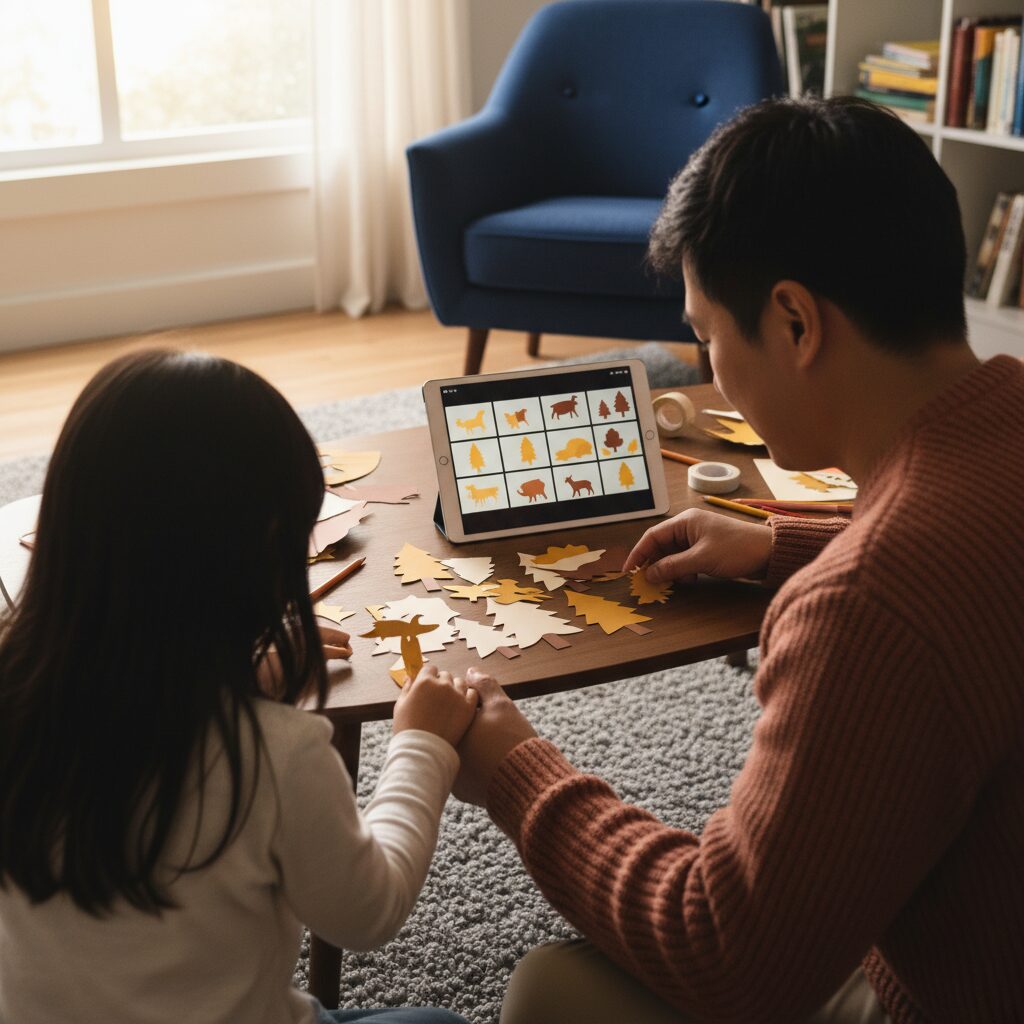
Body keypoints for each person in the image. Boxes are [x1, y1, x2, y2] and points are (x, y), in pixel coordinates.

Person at [450, 96, 1024, 1023]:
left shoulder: (866, 606)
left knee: (547, 990)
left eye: (708, 335)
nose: (709, 366)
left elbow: (725, 955)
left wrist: (517, 769)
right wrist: (780, 543)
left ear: (795, 323)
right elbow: (977, 560)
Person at [0, 350, 475, 1024]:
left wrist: (220, 676)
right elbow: (367, 914)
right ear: (252, 570)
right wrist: (422, 743)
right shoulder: (273, 754)